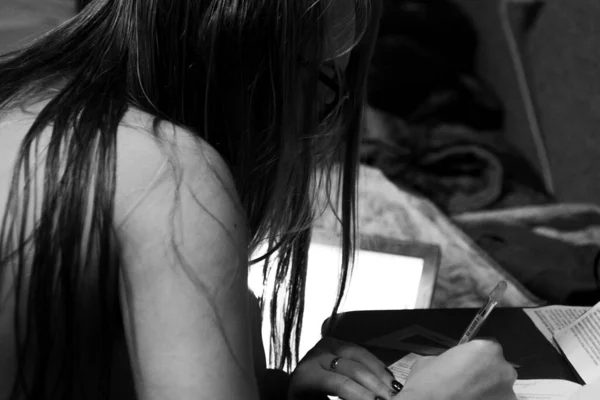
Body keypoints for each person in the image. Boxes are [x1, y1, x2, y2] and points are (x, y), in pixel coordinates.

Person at [0, 0, 519, 399]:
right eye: (316, 79)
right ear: (243, 59)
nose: (315, 121)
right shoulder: (166, 171)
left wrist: (269, 386)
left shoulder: (29, 97)